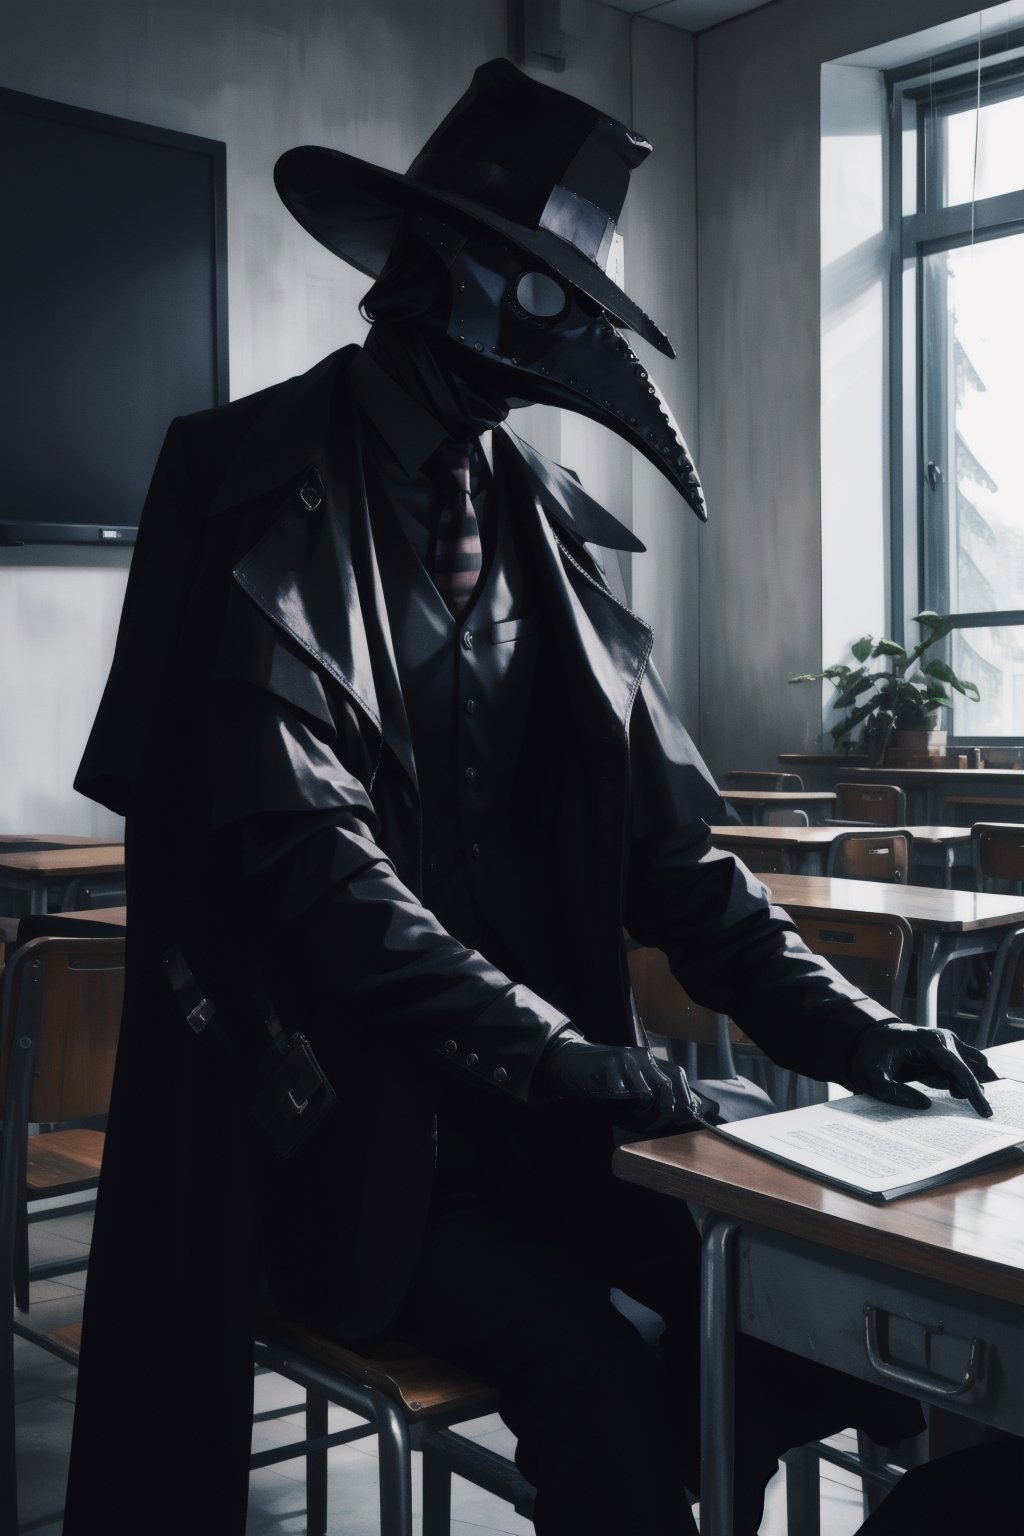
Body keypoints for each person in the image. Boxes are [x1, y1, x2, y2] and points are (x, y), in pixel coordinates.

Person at [63, 58, 993, 1536]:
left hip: (557, 1134)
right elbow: (322, 878)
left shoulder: (543, 534)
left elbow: (680, 868)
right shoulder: (248, 481)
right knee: (599, 1368)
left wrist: (860, 1030)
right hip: (350, 1149)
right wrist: (564, 1058)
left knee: (795, 1314)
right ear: (451, 273)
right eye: (539, 289)